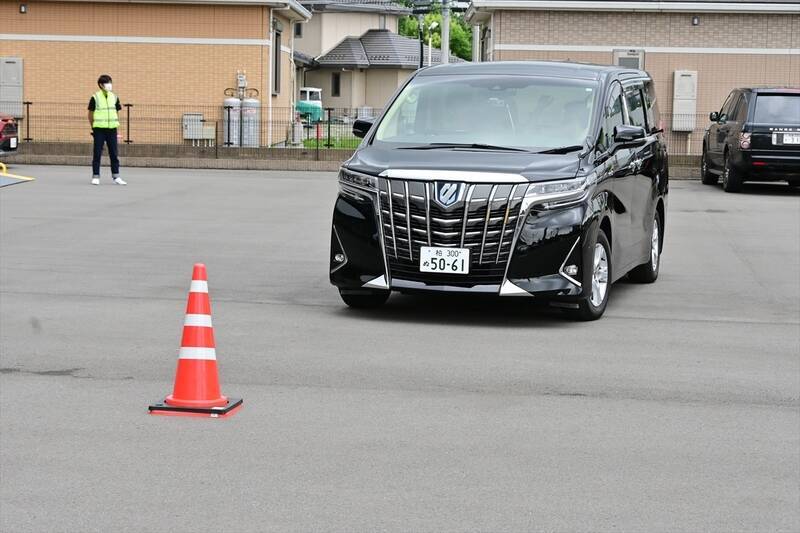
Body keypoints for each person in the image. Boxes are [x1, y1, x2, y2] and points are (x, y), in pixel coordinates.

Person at [87, 74, 126, 185]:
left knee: (114, 153)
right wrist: (93, 126)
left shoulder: (114, 97)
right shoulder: (95, 97)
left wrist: (116, 127)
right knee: (97, 152)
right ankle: (95, 176)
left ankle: (116, 176)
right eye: (106, 83)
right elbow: (90, 114)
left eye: (110, 82)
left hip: (112, 129)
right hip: (99, 129)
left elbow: (116, 112)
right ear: (101, 85)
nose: (109, 85)